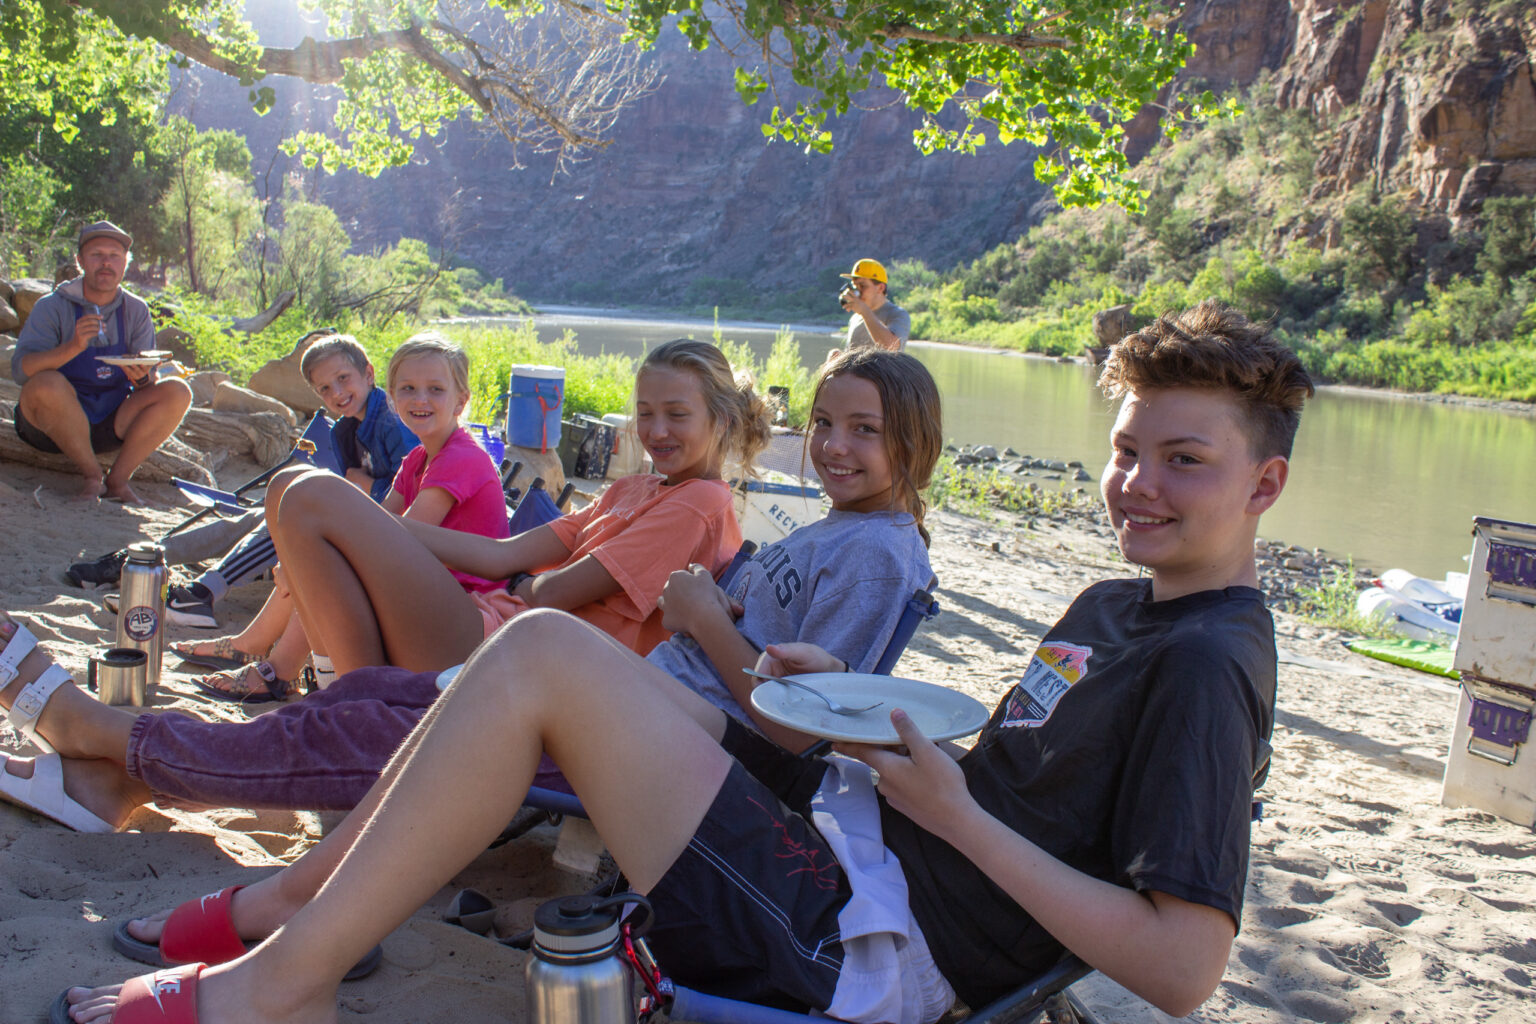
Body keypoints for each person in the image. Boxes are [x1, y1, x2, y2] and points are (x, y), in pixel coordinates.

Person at [42, 302, 1311, 1024]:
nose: (1137, 485)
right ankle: (296, 923)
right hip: (859, 837)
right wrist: (863, 721)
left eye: (1183, 461)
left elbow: (1181, 967)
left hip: (866, 942)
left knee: (539, 654)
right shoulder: (1115, 600)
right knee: (529, 652)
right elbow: (1037, 785)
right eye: (1129, 449)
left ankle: (282, 971)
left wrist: (953, 815)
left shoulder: (1207, 663)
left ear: (1266, 484)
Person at [188, 332, 506, 701]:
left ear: (460, 400)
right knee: (296, 502)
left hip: (462, 609)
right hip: (428, 592)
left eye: (435, 389)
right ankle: (272, 660)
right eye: (408, 388)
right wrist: (302, 557)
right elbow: (379, 521)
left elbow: (399, 542)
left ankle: (280, 668)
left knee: (324, 561)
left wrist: (305, 560)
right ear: (391, 395)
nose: (420, 399)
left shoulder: (461, 457)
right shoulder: (417, 459)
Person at [9, 220, 193, 503]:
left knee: (177, 392)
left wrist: (141, 379)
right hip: (48, 426)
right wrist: (72, 347)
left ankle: (118, 481)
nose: (106, 263)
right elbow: (21, 371)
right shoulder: (52, 306)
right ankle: (93, 476)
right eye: (97, 255)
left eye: (114, 256)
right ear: (80, 261)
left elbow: (148, 383)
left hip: (110, 421)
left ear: (125, 264)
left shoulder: (136, 309)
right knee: (46, 383)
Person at [828, 257, 910, 359]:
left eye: (862, 286)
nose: (857, 291)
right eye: (855, 286)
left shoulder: (897, 314)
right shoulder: (855, 318)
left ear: (880, 288)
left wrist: (865, 312)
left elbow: (891, 348)